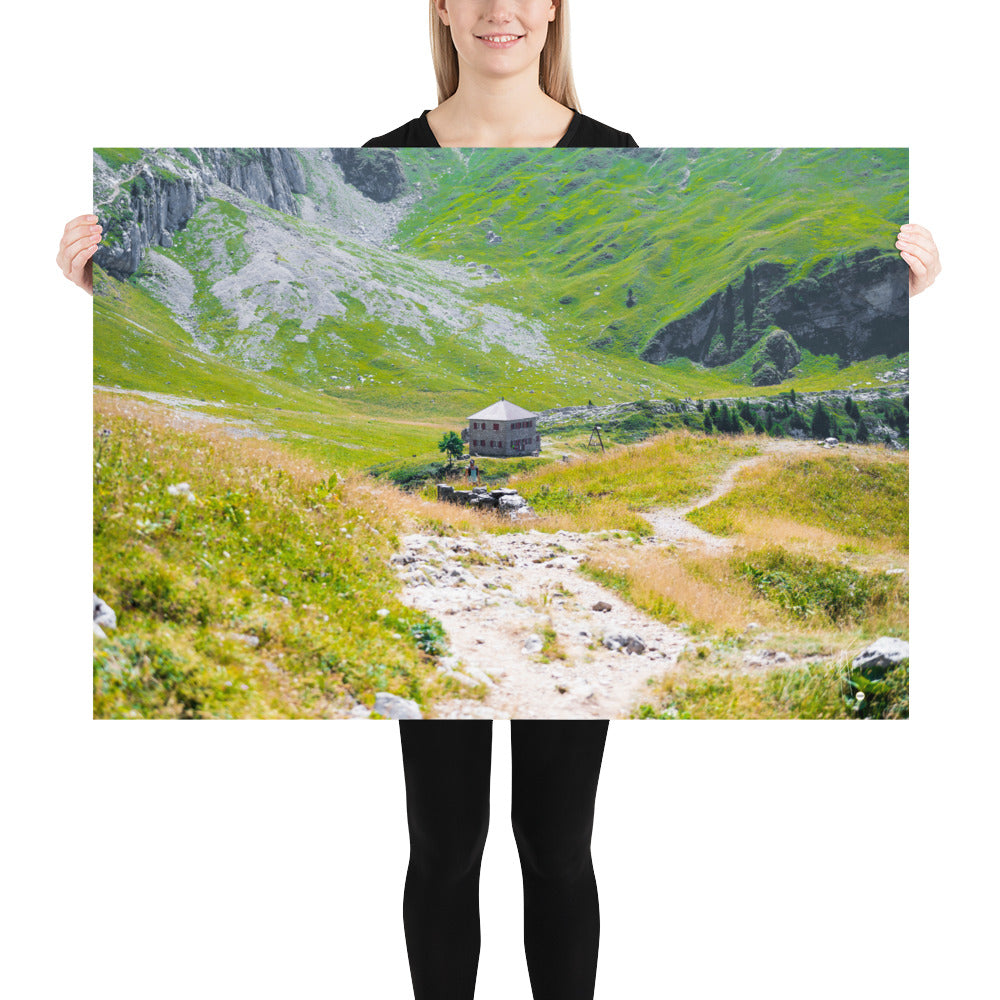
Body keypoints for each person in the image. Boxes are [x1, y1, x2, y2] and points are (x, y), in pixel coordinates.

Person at [64, 4, 939, 998]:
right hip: (469, 553)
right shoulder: (377, 154)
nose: (497, 9)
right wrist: (94, 287)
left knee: (557, 845)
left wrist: (900, 288)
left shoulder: (617, 153)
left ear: (557, 8)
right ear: (436, 7)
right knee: (444, 843)